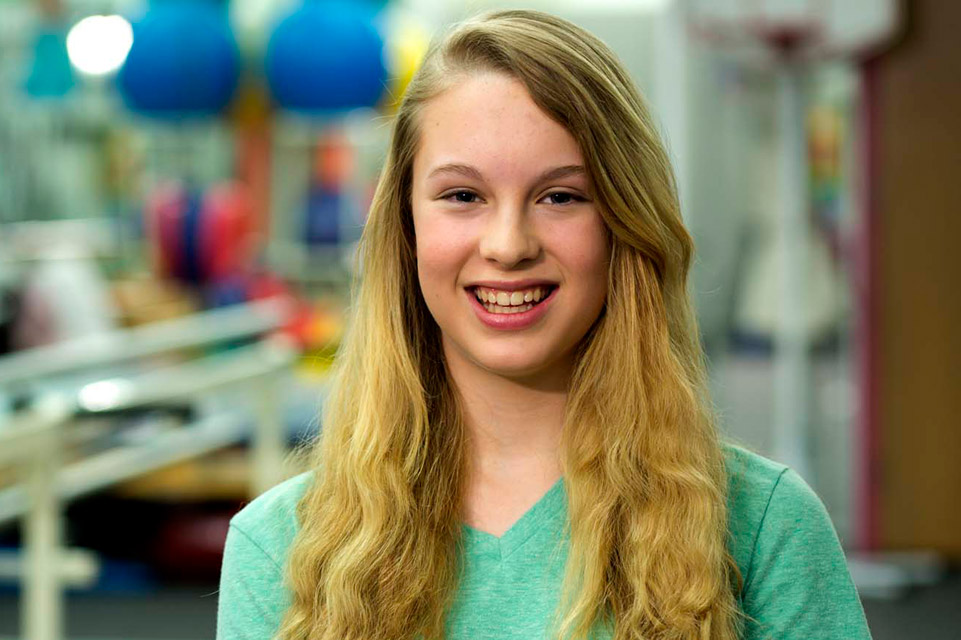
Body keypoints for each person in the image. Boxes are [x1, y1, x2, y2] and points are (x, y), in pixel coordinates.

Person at [216, 9, 872, 640]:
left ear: (623, 221)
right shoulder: (279, 546)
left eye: (559, 195)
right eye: (462, 196)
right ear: (406, 228)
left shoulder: (763, 528)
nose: (507, 244)